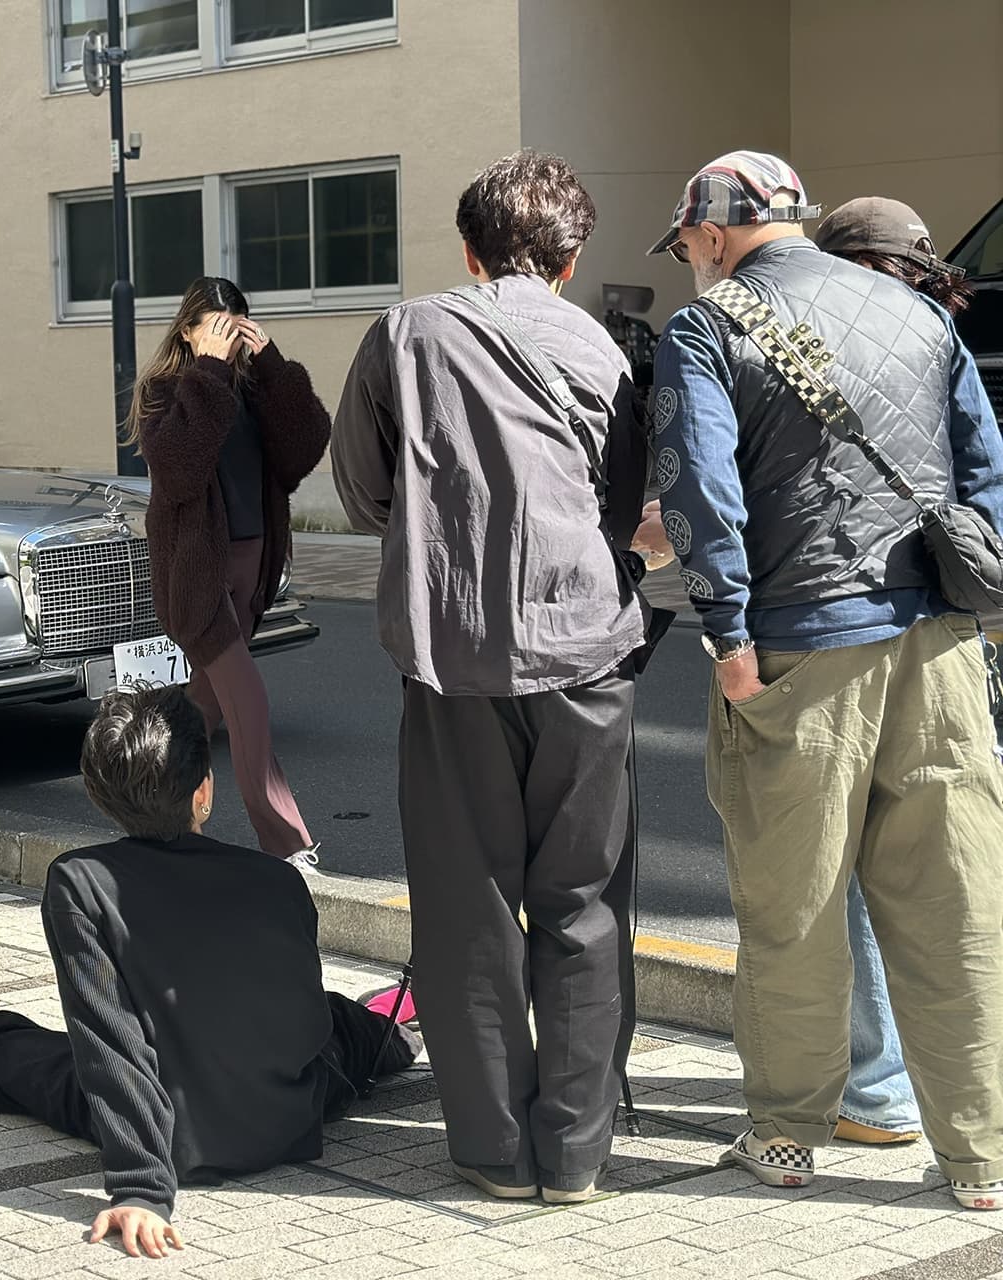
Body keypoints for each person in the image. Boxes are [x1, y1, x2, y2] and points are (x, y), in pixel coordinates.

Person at [0, 684, 419, 1257]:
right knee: (336, 1019)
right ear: (203, 792)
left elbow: (109, 1040)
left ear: (98, 795)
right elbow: (299, 1024)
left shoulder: (82, 881)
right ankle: (399, 1029)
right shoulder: (278, 880)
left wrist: (142, 1188)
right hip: (289, 1120)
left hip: (173, 1135)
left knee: (0, 1048)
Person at [648, 151, 1003, 1209]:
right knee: (955, 901)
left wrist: (728, 637)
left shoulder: (706, 328)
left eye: (689, 242)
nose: (691, 259)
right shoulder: (919, 314)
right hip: (939, 642)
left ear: (715, 231)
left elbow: (700, 491)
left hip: (800, 646)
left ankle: (787, 1140)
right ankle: (981, 1159)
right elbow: (984, 467)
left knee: (793, 903)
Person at [330, 149, 663, 1204]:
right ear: (570, 260)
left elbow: (362, 489)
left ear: (470, 251)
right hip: (588, 654)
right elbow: (626, 509)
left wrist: (447, 533)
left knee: (466, 905)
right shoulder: (603, 349)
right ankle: (576, 1154)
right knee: (586, 903)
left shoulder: (406, 332)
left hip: (453, 655)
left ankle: (491, 1150)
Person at [809, 195, 978, 1149]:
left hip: (838, 629)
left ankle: (873, 1087)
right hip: (948, 628)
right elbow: (986, 473)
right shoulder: (939, 337)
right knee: (941, 862)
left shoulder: (821, 342)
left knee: (837, 859)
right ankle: (942, 1086)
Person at [128, 277, 328, 871]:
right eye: (215, 329)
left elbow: (304, 450)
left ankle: (150, 815)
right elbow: (179, 471)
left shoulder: (251, 387)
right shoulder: (167, 392)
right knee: (250, 702)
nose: (227, 343)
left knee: (204, 709)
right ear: (188, 332)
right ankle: (287, 845)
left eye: (235, 331)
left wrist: (273, 367)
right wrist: (210, 372)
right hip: (198, 574)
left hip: (253, 564)